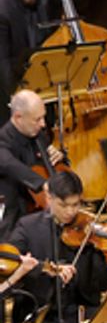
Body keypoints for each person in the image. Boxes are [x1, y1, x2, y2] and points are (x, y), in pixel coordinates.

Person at [7, 169, 107, 323]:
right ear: (49, 198)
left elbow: (101, 284)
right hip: (44, 314)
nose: (71, 212)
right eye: (64, 205)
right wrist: (46, 268)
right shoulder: (28, 227)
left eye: (76, 204)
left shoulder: (88, 230)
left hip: (82, 311)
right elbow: (12, 260)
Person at [0, 0, 85, 103]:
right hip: (16, 80)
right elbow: (3, 61)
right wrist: (15, 95)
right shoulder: (2, 8)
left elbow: (75, 5)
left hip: (47, 76)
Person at [0, 88, 68, 238]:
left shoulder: (38, 135)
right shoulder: (3, 140)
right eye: (37, 119)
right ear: (18, 117)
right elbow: (10, 164)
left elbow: (50, 165)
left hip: (38, 214)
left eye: (43, 117)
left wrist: (59, 157)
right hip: (13, 216)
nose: (43, 124)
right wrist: (43, 184)